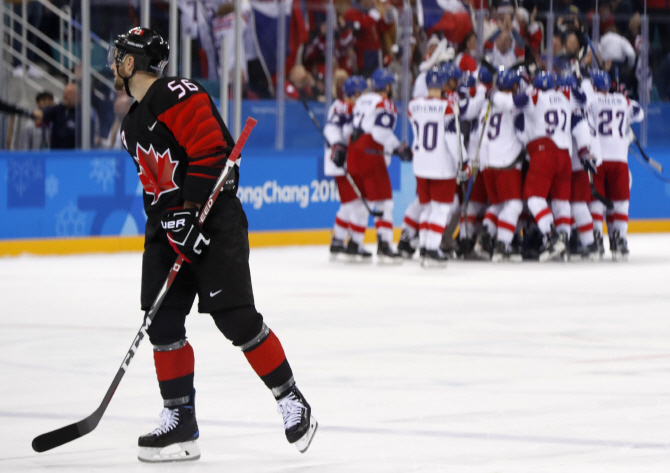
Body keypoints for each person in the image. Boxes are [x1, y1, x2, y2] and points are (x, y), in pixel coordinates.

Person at [107, 27, 317, 462]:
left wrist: (191, 207)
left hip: (213, 220)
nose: (113, 64)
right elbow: (152, 187)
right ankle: (180, 420)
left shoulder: (177, 94)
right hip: (169, 229)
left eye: (119, 57)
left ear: (132, 63)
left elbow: (210, 151)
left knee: (235, 318)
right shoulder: (130, 126)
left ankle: (290, 398)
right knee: (160, 321)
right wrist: (169, 224)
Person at [348, 67, 411, 261]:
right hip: (370, 153)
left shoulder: (360, 100)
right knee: (385, 202)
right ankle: (384, 244)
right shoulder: (385, 103)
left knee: (361, 202)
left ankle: (354, 244)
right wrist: (397, 147)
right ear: (386, 85)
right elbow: (379, 133)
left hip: (353, 152)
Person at [407, 67, 467, 267]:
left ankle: (424, 247)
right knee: (441, 209)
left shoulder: (413, 105)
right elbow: (453, 138)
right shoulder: (447, 107)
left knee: (427, 208)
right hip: (441, 165)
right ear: (443, 84)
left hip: (420, 164)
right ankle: (432, 249)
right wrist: (463, 160)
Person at [588, 69, 644, 261]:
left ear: (594, 86)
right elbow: (640, 113)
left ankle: (595, 238)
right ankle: (619, 239)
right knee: (620, 202)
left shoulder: (592, 100)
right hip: (619, 159)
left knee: (597, 201)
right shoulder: (623, 101)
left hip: (599, 158)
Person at [323, 75, 370, 260]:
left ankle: (339, 240)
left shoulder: (344, 105)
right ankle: (354, 244)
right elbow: (335, 130)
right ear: (356, 93)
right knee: (356, 205)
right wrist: (340, 145)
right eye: (364, 92)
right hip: (340, 161)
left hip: (344, 160)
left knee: (350, 204)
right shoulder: (347, 107)